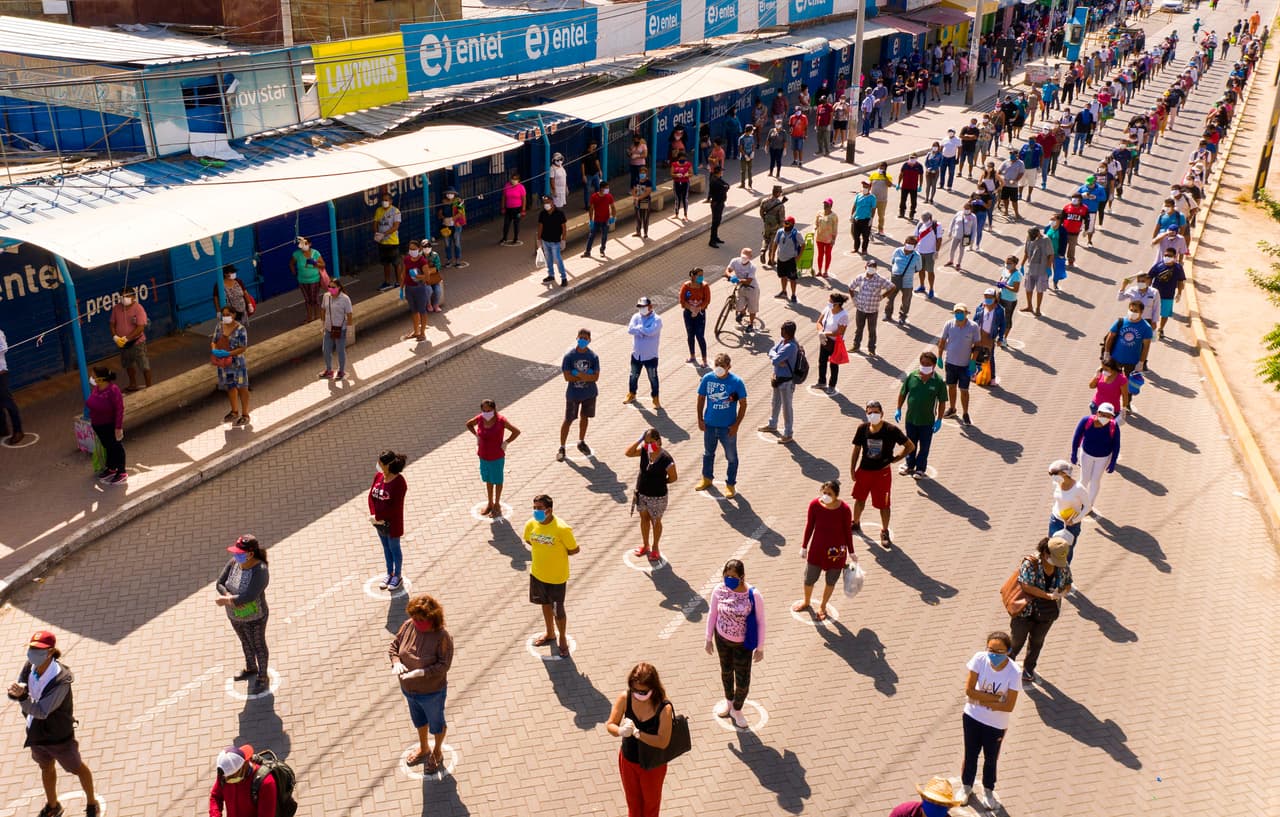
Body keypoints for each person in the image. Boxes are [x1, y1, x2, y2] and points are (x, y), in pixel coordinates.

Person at [7, 631, 100, 817]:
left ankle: (92, 802)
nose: (33, 653)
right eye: (32, 648)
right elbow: (21, 687)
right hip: (36, 734)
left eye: (38, 650)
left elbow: (42, 711)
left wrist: (23, 697)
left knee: (77, 768)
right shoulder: (30, 666)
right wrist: (14, 692)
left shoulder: (61, 680)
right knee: (45, 767)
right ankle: (53, 805)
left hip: (59, 737)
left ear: (50, 652)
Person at [389, 594, 454, 772]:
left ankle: (437, 752)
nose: (417, 622)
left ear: (432, 617)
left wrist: (422, 672)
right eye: (415, 618)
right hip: (410, 690)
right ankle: (424, 747)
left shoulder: (442, 637)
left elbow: (444, 664)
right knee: (419, 721)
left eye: (421, 619)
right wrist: (396, 662)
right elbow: (394, 646)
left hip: (432, 693)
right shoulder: (409, 625)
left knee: (436, 723)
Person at [959, 632, 1022, 809]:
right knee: (970, 754)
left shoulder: (1014, 672)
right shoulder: (979, 659)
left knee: (990, 759)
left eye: (999, 651)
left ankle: (988, 790)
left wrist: (981, 699)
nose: (993, 654)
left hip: (996, 724)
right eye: (991, 649)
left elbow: (1009, 706)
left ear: (1008, 651)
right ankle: (966, 787)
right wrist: (996, 699)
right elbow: (969, 691)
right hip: (972, 717)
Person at [607, 663, 675, 817]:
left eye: (643, 692)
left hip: (652, 766)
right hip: (628, 761)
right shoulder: (626, 698)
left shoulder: (664, 707)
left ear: (653, 688)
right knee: (633, 805)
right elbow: (610, 724)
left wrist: (639, 734)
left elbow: (663, 741)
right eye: (635, 690)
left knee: (650, 807)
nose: (638, 694)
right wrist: (620, 731)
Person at [705, 559, 764, 729]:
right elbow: (712, 614)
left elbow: (761, 622)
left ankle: (737, 709)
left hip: (743, 645)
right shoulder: (719, 590)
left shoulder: (754, 595)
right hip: (722, 639)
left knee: (743, 680)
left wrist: (760, 648)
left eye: (733, 576)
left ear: (742, 577)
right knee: (726, 672)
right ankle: (729, 702)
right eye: (726, 575)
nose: (729, 579)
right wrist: (708, 638)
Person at [1009, 537, 1073, 685]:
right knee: (1017, 640)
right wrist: (1048, 595)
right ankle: (1006, 666)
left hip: (1047, 613)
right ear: (1045, 553)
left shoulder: (1062, 564)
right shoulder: (1030, 563)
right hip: (1025, 611)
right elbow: (1026, 585)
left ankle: (1029, 669)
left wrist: (1063, 592)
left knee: (1037, 641)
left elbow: (1068, 582)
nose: (1058, 564)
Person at [850, 401, 914, 547]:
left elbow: (910, 446)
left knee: (884, 505)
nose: (873, 415)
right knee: (859, 499)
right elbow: (856, 449)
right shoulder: (862, 429)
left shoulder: (891, 430)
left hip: (882, 474)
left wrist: (894, 459)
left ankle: (884, 531)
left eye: (876, 412)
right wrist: (852, 469)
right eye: (869, 412)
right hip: (864, 471)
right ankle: (855, 522)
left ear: (882, 413)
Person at [523, 494, 580, 657]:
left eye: (539, 508)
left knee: (558, 609)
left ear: (549, 510)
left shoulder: (562, 528)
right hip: (538, 574)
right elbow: (528, 540)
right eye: (534, 508)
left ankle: (562, 638)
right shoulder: (530, 524)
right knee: (544, 604)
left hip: (557, 577)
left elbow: (574, 549)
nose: (536, 512)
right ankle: (550, 633)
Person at [215, 536, 270, 695]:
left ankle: (262, 677)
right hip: (235, 616)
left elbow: (249, 596)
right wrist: (229, 596)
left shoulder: (260, 571)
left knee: (258, 645)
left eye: (240, 553)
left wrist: (227, 600)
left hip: (255, 617)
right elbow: (219, 583)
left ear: (251, 554)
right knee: (245, 641)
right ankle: (251, 668)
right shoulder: (234, 563)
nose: (236, 556)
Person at [795, 480, 855, 621]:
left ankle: (822, 606)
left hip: (836, 553)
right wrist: (804, 546)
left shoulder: (844, 509)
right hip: (817, 550)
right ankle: (807, 601)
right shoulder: (815, 505)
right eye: (825, 492)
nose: (826, 496)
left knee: (830, 581)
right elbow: (810, 526)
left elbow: (847, 531)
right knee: (809, 578)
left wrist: (851, 551)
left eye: (830, 493)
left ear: (836, 495)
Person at [694, 353, 748, 498]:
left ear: (729, 367)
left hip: (727, 428)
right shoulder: (708, 378)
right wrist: (700, 419)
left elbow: (743, 404)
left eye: (722, 367)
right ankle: (707, 478)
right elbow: (701, 398)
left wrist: (736, 425)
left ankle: (730, 484)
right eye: (717, 366)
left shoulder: (737, 382)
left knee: (731, 457)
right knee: (708, 453)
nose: (719, 369)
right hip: (710, 425)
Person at [625, 429, 678, 562]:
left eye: (651, 442)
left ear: (659, 441)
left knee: (656, 521)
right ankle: (645, 545)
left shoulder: (666, 459)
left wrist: (660, 482)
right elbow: (628, 453)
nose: (648, 445)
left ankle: (655, 547)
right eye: (646, 442)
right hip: (642, 493)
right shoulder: (644, 451)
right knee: (644, 519)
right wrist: (639, 440)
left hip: (658, 496)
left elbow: (673, 477)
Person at [895, 350, 947, 479]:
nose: (924, 365)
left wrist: (939, 419)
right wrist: (898, 409)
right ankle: (909, 465)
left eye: (927, 363)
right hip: (911, 419)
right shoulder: (912, 376)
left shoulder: (938, 382)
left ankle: (920, 469)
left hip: (927, 421)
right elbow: (903, 393)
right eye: (922, 363)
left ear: (934, 366)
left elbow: (942, 402)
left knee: (924, 447)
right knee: (910, 444)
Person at [465, 400, 520, 519]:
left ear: (494, 409)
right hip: (483, 456)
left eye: (488, 410)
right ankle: (490, 502)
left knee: (498, 480)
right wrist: (476, 435)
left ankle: (497, 504)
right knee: (488, 480)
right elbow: (468, 424)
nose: (486, 413)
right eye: (484, 410)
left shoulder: (501, 421)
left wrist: (506, 442)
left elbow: (516, 432)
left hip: (496, 457)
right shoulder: (479, 419)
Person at [1102, 301, 1153, 414]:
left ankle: (1127, 404)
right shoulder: (1121, 322)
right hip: (1115, 359)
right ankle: (1110, 403)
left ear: (1141, 312)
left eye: (1136, 311)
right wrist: (1107, 353)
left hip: (1132, 362)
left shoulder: (1146, 327)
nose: (1132, 312)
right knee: (1111, 381)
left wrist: (1141, 362)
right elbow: (1110, 337)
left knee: (1128, 385)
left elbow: (1146, 347)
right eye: (1131, 310)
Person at [368, 449, 409, 589]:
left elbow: (395, 507)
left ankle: (397, 576)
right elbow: (371, 496)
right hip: (379, 523)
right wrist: (374, 514)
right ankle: (389, 573)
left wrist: (379, 517)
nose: (378, 465)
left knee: (394, 548)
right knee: (386, 548)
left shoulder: (399, 483)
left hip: (392, 524)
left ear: (387, 465)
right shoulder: (378, 477)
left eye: (380, 463)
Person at [1070, 403, 1121, 513]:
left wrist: (1113, 462)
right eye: (1104, 415)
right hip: (1086, 454)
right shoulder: (1086, 421)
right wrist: (1074, 453)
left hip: (1103, 458)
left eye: (1109, 416)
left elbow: (1116, 445)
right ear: (1098, 413)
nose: (1106, 418)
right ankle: (1079, 501)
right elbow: (1077, 436)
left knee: (1095, 481)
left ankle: (1089, 505)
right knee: (1084, 479)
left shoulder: (1113, 426)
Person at [559, 329, 600, 462]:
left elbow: (596, 377)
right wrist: (587, 375)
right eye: (581, 337)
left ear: (589, 340)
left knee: (585, 417)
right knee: (568, 420)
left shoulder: (593, 357)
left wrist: (579, 374)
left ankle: (581, 441)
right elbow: (567, 377)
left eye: (585, 338)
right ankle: (562, 447)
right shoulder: (569, 356)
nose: (583, 340)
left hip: (589, 394)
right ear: (577, 338)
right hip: (573, 394)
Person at [938, 304, 981, 424]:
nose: (959, 315)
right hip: (950, 363)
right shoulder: (949, 324)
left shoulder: (973, 327)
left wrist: (973, 362)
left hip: (965, 365)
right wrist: (939, 357)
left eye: (961, 312)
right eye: (957, 312)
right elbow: (942, 341)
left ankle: (965, 413)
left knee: (964, 390)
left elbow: (977, 346)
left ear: (966, 313)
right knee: (951, 386)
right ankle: (952, 408)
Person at [760, 320, 799, 443]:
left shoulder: (790, 346)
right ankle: (772, 424)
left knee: (787, 408)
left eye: (782, 330)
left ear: (787, 332)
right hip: (778, 379)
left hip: (786, 382)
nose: (780, 331)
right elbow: (772, 351)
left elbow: (774, 360)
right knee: (775, 403)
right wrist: (775, 357)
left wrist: (776, 359)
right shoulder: (784, 342)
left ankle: (788, 433)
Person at [86, 367, 126, 485]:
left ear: (101, 379)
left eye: (93, 376)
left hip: (109, 424)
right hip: (98, 425)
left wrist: (118, 427)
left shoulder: (113, 390)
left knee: (116, 447)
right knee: (108, 446)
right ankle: (112, 468)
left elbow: (119, 409)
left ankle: (122, 472)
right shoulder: (97, 389)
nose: (92, 378)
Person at [211, 306, 250, 426]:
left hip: (237, 364)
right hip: (224, 364)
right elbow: (214, 341)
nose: (225, 317)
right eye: (224, 314)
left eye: (228, 314)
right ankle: (234, 411)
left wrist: (228, 353)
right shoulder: (219, 326)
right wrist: (214, 350)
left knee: (242, 388)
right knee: (230, 386)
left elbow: (242, 348)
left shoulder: (241, 329)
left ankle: (245, 414)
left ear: (234, 315)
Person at [849, 260, 896, 356]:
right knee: (859, 329)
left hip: (872, 310)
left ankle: (871, 349)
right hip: (861, 308)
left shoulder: (880, 279)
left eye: (873, 267)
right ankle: (856, 346)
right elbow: (851, 288)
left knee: (872, 330)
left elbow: (892, 287)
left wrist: (883, 296)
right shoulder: (860, 277)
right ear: (865, 267)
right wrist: (854, 299)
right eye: (870, 266)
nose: (871, 268)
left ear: (876, 268)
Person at [109, 286, 151, 391]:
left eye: (127, 296)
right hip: (122, 344)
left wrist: (127, 338)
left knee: (144, 365)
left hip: (137, 343)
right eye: (122, 296)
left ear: (133, 297)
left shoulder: (138, 308)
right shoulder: (116, 308)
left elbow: (140, 327)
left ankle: (149, 386)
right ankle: (132, 384)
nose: (124, 298)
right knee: (128, 365)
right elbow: (112, 324)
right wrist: (115, 337)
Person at [209, 744, 270, 817]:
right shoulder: (225, 774)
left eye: (231, 776)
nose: (226, 780)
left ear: (245, 764)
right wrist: (215, 815)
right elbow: (216, 796)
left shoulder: (266, 783)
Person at [624, 297, 663, 409]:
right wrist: (643, 330)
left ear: (650, 307)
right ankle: (632, 394)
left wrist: (640, 329)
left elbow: (651, 332)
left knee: (653, 377)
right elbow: (630, 330)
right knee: (633, 376)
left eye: (643, 307)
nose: (641, 309)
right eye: (640, 307)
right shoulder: (636, 317)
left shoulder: (657, 319)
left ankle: (655, 398)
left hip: (650, 356)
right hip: (636, 354)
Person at [1046, 459, 1088, 554]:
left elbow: (1087, 507)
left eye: (1054, 474)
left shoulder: (1079, 489)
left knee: (1066, 553)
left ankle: (1064, 569)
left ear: (1064, 473)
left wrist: (1074, 520)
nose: (1053, 477)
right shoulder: (1056, 484)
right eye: (1050, 474)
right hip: (1055, 520)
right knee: (1051, 550)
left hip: (1071, 525)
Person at [815, 294, 850, 393]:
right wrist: (821, 332)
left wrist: (825, 333)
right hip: (825, 340)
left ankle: (832, 385)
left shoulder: (843, 315)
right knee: (822, 361)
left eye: (830, 301)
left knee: (834, 364)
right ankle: (821, 381)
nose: (828, 303)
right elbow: (819, 322)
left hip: (835, 343)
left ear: (837, 304)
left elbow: (840, 331)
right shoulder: (827, 309)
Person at [319, 279, 353, 380]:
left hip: (340, 329)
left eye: (333, 287)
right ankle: (329, 370)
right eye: (329, 287)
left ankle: (341, 371)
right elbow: (323, 309)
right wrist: (322, 323)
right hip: (328, 329)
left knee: (340, 350)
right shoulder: (326, 296)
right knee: (326, 350)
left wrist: (349, 328)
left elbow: (349, 314)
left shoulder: (345, 299)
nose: (331, 289)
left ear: (339, 288)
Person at [884, 237, 922, 326]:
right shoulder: (897, 251)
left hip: (907, 282)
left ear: (915, 246)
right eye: (908, 243)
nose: (909, 245)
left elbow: (918, 268)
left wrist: (908, 272)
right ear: (904, 242)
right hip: (895, 279)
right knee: (890, 298)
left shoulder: (917, 256)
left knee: (906, 301)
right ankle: (887, 315)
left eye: (912, 244)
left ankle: (902, 317)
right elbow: (893, 262)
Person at [1148, 248, 1185, 339]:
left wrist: (1179, 293)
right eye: (1165, 255)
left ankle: (1161, 329)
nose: (1167, 257)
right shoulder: (1158, 266)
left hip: (1168, 295)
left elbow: (1180, 281)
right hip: (1155, 295)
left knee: (1165, 314)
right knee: (1152, 313)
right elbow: (1149, 277)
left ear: (1175, 257)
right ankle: (1152, 329)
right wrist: (1147, 289)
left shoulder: (1178, 268)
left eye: (1169, 256)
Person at [679, 269, 711, 367]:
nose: (701, 277)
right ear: (692, 276)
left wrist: (698, 309)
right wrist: (691, 308)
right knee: (690, 335)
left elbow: (707, 300)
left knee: (700, 336)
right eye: (699, 275)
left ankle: (704, 360)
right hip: (689, 313)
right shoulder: (686, 286)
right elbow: (682, 300)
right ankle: (692, 355)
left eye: (702, 275)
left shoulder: (704, 286)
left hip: (700, 314)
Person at [400, 239, 431, 340]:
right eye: (410, 249)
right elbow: (403, 274)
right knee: (414, 311)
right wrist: (401, 288)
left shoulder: (422, 261)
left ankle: (422, 333)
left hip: (420, 289)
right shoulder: (407, 259)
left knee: (422, 311)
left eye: (414, 249)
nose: (412, 251)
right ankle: (416, 331)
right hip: (409, 288)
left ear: (419, 249)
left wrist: (418, 276)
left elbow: (427, 277)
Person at [889, 777, 966, 817]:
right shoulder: (903, 813)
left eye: (941, 803)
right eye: (932, 801)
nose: (936, 806)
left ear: (948, 808)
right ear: (923, 799)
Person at [291, 235, 327, 319]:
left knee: (315, 299)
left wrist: (315, 263)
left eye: (306, 243)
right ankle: (309, 317)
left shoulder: (315, 253)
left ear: (310, 244)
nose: (304, 246)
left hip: (314, 280)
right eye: (302, 244)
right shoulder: (296, 254)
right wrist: (295, 273)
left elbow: (323, 265)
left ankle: (317, 316)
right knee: (307, 300)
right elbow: (291, 264)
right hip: (302, 281)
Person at [1020, 227, 1053, 315]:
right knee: (1028, 288)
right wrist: (1022, 264)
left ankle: (1038, 308)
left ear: (1038, 233)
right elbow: (1026, 253)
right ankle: (1029, 306)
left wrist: (1048, 268)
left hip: (1041, 270)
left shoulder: (1046, 240)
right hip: (1030, 269)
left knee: (1039, 290)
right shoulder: (1029, 238)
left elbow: (1051, 255)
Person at [0, 327, 24, 446]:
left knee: (8, 403)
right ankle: (2, 428)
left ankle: (18, 430)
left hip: (1, 372)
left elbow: (4, 348)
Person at [726, 248, 760, 332]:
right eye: (743, 256)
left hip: (752, 289)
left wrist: (738, 280)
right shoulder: (735, 261)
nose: (744, 259)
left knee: (752, 308)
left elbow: (748, 281)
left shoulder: (752, 267)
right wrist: (729, 276)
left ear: (750, 257)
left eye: (746, 257)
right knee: (738, 306)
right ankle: (742, 312)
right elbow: (728, 270)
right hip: (741, 287)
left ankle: (751, 324)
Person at [538, 196, 569, 287]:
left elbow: (564, 228)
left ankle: (564, 278)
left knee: (557, 259)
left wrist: (563, 240)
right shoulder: (542, 214)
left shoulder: (559, 213)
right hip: (545, 241)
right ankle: (551, 275)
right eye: (544, 203)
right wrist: (538, 239)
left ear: (552, 202)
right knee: (549, 259)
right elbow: (540, 226)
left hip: (555, 241)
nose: (546, 204)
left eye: (547, 202)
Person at [374, 194, 402, 289]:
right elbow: (375, 223)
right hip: (382, 242)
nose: (384, 202)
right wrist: (377, 234)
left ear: (391, 201)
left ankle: (399, 281)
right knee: (385, 263)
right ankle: (387, 282)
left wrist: (384, 234)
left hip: (393, 242)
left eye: (386, 200)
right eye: (383, 200)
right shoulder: (378, 210)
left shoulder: (395, 211)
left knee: (396, 263)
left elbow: (396, 226)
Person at [772, 216, 803, 301]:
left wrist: (798, 257)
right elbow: (775, 243)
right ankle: (784, 291)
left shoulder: (796, 234)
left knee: (792, 279)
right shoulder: (780, 232)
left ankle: (793, 295)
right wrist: (772, 255)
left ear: (792, 224)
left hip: (791, 260)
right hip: (780, 259)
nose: (785, 224)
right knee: (782, 276)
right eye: (784, 222)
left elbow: (803, 245)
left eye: (787, 223)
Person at [584, 181, 616, 258]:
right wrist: (591, 220)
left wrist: (613, 217)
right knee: (591, 236)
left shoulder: (609, 196)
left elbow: (613, 207)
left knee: (604, 236)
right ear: (601, 188)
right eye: (606, 188)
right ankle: (587, 251)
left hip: (606, 220)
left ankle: (602, 250)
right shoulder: (594, 196)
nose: (608, 189)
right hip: (596, 220)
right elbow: (591, 209)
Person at [912, 214, 941, 298]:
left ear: (930, 218)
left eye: (926, 219)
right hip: (920, 251)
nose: (924, 220)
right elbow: (916, 237)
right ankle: (922, 286)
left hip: (930, 252)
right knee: (921, 270)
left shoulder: (937, 225)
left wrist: (937, 251)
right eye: (923, 218)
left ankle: (931, 289)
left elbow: (939, 239)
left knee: (930, 272)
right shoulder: (920, 224)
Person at [759, 186, 787, 265]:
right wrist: (782, 229)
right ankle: (770, 260)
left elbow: (761, 212)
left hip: (767, 224)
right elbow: (782, 219)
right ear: (777, 193)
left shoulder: (764, 201)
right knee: (773, 242)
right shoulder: (780, 205)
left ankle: (763, 250)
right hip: (776, 226)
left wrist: (764, 219)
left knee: (765, 237)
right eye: (780, 193)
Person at [944, 204, 977, 271]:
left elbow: (974, 228)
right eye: (965, 208)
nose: (966, 210)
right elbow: (952, 222)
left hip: (966, 237)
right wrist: (950, 231)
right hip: (956, 235)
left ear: (971, 209)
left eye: (967, 209)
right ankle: (951, 261)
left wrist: (972, 239)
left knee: (961, 251)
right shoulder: (959, 213)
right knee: (952, 249)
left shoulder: (973, 217)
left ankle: (958, 263)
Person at [438, 189, 466, 267]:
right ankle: (449, 260)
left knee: (457, 243)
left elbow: (461, 213)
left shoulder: (458, 202)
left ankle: (458, 260)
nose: (449, 195)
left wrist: (452, 218)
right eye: (447, 193)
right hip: (446, 226)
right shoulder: (443, 202)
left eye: (451, 193)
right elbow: (439, 214)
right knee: (447, 244)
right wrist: (443, 217)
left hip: (456, 226)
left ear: (454, 194)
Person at [813, 199, 838, 278]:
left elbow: (835, 229)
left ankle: (826, 271)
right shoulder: (819, 213)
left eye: (827, 205)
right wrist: (813, 230)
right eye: (824, 204)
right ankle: (819, 271)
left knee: (827, 255)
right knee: (820, 255)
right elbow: (816, 224)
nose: (825, 206)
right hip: (819, 238)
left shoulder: (834, 216)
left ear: (831, 206)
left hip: (829, 239)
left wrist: (833, 239)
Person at [500, 172, 528, 245]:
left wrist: (523, 210)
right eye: (512, 179)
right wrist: (503, 207)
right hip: (508, 208)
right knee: (506, 224)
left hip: (517, 209)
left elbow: (524, 199)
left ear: (518, 180)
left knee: (516, 224)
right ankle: (504, 237)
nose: (513, 181)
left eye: (515, 179)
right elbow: (503, 197)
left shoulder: (521, 187)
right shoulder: (507, 186)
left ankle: (515, 238)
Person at [851, 180, 877, 255]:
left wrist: (871, 219)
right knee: (856, 235)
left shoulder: (872, 198)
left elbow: (873, 209)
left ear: (869, 188)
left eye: (866, 186)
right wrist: (852, 215)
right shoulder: (858, 195)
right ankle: (856, 248)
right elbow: (855, 206)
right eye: (863, 186)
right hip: (857, 219)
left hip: (866, 219)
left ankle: (864, 249)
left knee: (865, 236)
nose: (864, 188)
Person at [707, 166, 730, 247]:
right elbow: (724, 187)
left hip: (720, 203)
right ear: (718, 172)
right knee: (715, 222)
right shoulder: (715, 180)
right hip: (716, 203)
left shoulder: (718, 178)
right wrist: (725, 187)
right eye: (721, 171)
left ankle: (715, 237)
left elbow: (727, 185)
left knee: (718, 221)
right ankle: (712, 240)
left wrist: (726, 187)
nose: (722, 172)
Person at [868, 162, 893, 234]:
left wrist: (885, 177)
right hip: (872, 199)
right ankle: (869, 227)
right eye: (880, 167)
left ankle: (880, 229)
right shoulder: (873, 175)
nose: (881, 168)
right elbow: (870, 185)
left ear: (885, 168)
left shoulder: (888, 176)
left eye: (883, 167)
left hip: (882, 200)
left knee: (881, 216)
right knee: (870, 215)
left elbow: (890, 185)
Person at [898, 154, 923, 220]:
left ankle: (912, 214)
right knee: (903, 200)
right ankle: (901, 212)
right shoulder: (905, 165)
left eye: (913, 158)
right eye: (911, 158)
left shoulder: (919, 166)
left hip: (914, 187)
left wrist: (920, 186)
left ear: (916, 158)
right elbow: (901, 174)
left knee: (913, 201)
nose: (912, 159)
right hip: (905, 186)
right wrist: (898, 183)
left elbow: (921, 176)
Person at [670, 151, 693, 219]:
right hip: (677, 182)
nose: (682, 160)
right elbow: (671, 174)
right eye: (681, 158)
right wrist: (676, 175)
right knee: (677, 199)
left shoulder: (688, 164)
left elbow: (691, 173)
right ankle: (676, 214)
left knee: (684, 198)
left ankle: (685, 214)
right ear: (678, 158)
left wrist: (687, 175)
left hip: (685, 182)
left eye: (684, 158)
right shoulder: (674, 164)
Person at [632, 167, 653, 240]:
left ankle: (645, 233)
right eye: (641, 173)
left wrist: (639, 198)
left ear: (646, 174)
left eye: (643, 173)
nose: (642, 174)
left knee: (645, 217)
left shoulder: (648, 182)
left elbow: (648, 192)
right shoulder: (636, 181)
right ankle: (638, 232)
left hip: (645, 201)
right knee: (638, 217)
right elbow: (633, 190)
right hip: (637, 201)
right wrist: (635, 198)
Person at [582, 142, 602, 210]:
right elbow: (582, 165)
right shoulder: (584, 154)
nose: (594, 146)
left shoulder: (594, 152)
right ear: (590, 145)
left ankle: (597, 202)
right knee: (587, 190)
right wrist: (583, 175)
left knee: (598, 188)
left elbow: (597, 161)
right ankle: (587, 205)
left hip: (595, 173)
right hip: (588, 175)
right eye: (593, 145)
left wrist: (599, 170)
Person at [738, 123, 756, 189]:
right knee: (743, 171)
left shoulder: (751, 137)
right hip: (743, 157)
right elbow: (740, 148)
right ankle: (743, 184)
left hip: (750, 156)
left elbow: (753, 145)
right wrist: (745, 155)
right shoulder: (741, 138)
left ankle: (750, 184)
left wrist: (753, 152)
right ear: (749, 130)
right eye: (752, 130)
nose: (753, 131)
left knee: (750, 171)